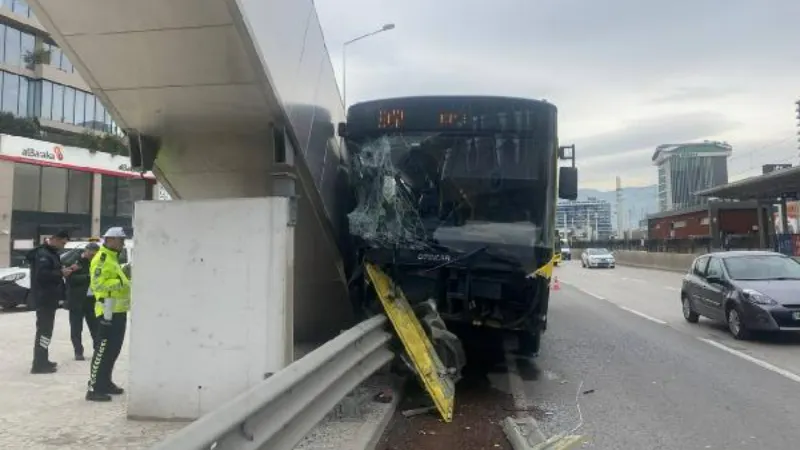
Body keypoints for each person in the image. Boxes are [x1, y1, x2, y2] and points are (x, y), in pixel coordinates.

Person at [86, 227, 131, 402]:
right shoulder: (102, 258)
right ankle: (93, 387)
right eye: (121, 240)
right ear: (110, 240)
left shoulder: (113, 258)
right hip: (107, 312)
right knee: (102, 350)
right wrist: (121, 281)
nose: (123, 243)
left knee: (113, 350)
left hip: (118, 311)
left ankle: (105, 382)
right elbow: (98, 285)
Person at [27, 230, 74, 374]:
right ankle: (39, 364)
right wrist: (61, 273)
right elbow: (42, 276)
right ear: (54, 239)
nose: (62, 246)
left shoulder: (51, 253)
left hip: (49, 298)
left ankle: (43, 359)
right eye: (62, 242)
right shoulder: (43, 254)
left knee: (46, 331)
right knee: (44, 331)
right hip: (44, 299)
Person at [66, 243, 100, 361]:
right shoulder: (75, 261)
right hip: (76, 300)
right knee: (76, 328)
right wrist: (89, 277)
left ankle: (97, 349)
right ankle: (78, 352)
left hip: (91, 300)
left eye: (94, 255)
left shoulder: (97, 262)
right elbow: (70, 279)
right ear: (86, 251)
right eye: (90, 254)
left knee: (95, 327)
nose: (92, 257)